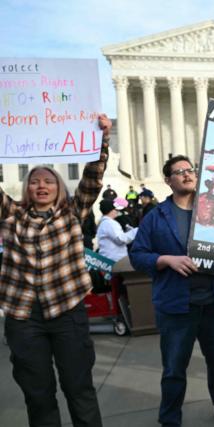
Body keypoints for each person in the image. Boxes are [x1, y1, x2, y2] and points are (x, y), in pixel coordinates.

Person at [0, 114, 111, 427]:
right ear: (26, 188)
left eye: (48, 180)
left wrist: (102, 139)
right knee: (38, 395)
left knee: (80, 390)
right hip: (23, 318)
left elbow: (93, 176)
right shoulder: (11, 214)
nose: (41, 186)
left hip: (67, 313)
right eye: (34, 181)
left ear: (59, 187)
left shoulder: (73, 212)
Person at [130, 155, 214, 427]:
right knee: (174, 368)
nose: (187, 174)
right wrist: (165, 260)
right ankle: (170, 419)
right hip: (176, 307)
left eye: (190, 170)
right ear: (168, 180)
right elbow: (138, 255)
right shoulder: (155, 217)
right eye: (179, 171)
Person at [97, 199, 138, 263]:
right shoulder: (110, 223)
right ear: (110, 210)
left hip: (110, 258)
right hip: (113, 260)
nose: (117, 211)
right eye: (116, 209)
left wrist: (128, 231)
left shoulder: (106, 222)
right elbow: (120, 239)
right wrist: (136, 231)